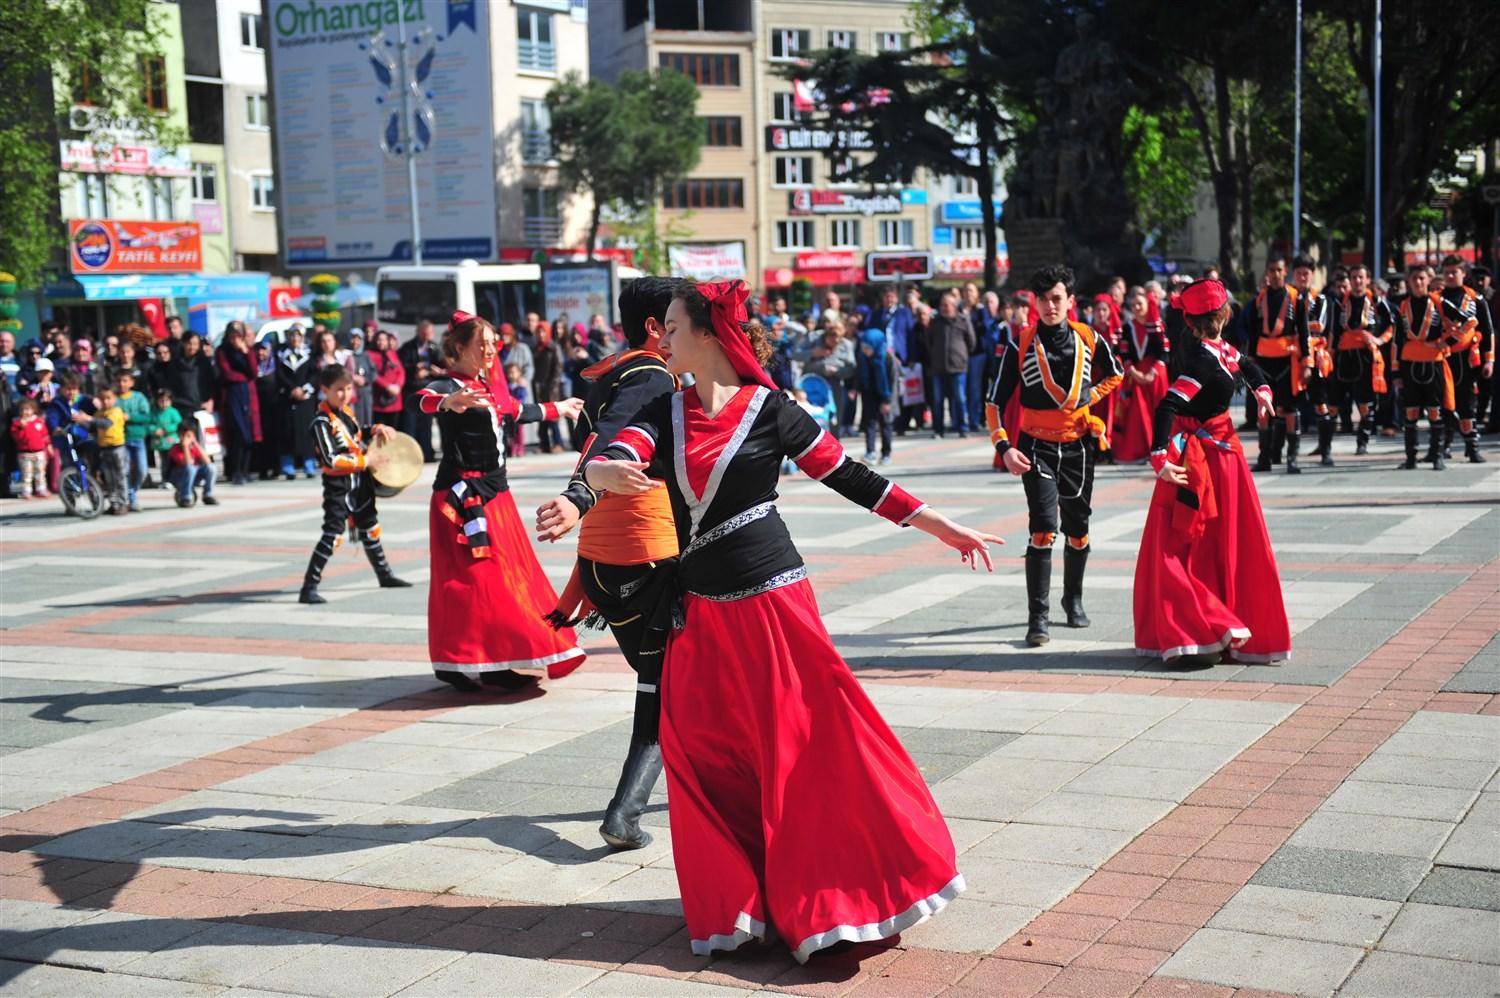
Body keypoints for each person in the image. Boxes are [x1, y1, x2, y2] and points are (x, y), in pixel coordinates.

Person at [580, 279, 996, 963]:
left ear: (711, 333)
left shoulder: (771, 411)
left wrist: (937, 523)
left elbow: (851, 475)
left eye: (676, 327)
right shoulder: (663, 407)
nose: (664, 339)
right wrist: (607, 473)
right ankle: (748, 904)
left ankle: (833, 900)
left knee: (803, 753)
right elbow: (616, 449)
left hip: (776, 608)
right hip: (704, 616)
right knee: (702, 755)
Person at [535, 276, 683, 852]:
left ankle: (674, 792)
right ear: (654, 328)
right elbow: (612, 445)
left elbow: (592, 449)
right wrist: (579, 497)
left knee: (669, 689)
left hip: (603, 564)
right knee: (665, 691)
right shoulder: (649, 374)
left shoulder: (610, 373)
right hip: (646, 559)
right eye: (674, 320)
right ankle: (624, 813)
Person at [415, 312, 585, 692]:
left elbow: (515, 413)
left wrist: (560, 408)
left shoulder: (485, 386)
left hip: (494, 496)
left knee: (498, 579)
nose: (491, 350)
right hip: (463, 499)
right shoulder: (450, 385)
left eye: (494, 343)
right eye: (483, 344)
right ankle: (470, 661)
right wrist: (448, 401)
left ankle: (487, 657)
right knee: (474, 580)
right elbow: (422, 401)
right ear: (460, 348)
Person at [1136, 279, 1289, 666]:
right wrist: (1160, 459)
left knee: (1226, 543)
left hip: (1225, 459)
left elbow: (1249, 365)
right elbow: (1168, 406)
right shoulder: (1203, 360)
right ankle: (1203, 626)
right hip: (1202, 461)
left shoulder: (1221, 350)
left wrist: (1263, 392)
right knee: (1194, 545)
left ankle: (1218, 625)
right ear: (1220, 316)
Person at [987, 265, 1122, 646]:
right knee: (1043, 528)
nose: (1050, 306)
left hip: (1079, 445)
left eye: (1057, 299)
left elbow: (1116, 373)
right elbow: (994, 400)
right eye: (1043, 299)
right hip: (1035, 446)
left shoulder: (1089, 337)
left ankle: (1073, 599)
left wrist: (1089, 398)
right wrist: (1003, 446)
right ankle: (1038, 617)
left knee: (1078, 530)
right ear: (1035, 302)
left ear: (1070, 302)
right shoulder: (1021, 342)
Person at [298, 365, 411, 604]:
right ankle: (309, 586)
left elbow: (357, 436)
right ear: (325, 390)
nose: (344, 394)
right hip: (339, 487)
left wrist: (378, 428)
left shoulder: (346, 413)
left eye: (348, 389)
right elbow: (331, 459)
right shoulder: (320, 422)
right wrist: (367, 460)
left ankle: (384, 574)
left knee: (370, 527)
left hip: (360, 483)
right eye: (338, 390)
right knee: (333, 536)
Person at [1241, 256, 1310, 474]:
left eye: (1279, 270)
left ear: (1285, 271)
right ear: (1267, 273)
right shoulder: (1258, 300)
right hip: (1263, 361)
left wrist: (1307, 362)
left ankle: (1292, 458)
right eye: (1271, 270)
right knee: (1264, 410)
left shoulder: (1295, 298)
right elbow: (1252, 333)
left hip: (1287, 361)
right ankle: (1264, 457)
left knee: (1289, 409)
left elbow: (1304, 331)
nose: (1275, 274)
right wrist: (1249, 363)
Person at [1436, 255, 1495, 463]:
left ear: (1463, 273)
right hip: (1442, 358)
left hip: (1469, 359)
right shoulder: (1434, 299)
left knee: (1468, 403)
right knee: (1444, 403)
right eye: (1447, 272)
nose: (1451, 276)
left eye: (1455, 272)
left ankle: (1472, 446)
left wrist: (1489, 361)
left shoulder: (1476, 299)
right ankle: (1444, 445)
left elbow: (1487, 331)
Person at [1330, 263, 1393, 455]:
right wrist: (1330, 354)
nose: (1357, 281)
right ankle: (1325, 446)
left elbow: (1391, 325)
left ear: (1367, 280)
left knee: (1366, 402)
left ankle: (1362, 442)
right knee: (1333, 401)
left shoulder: (1377, 300)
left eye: (1361, 277)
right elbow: (1333, 330)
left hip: (1366, 356)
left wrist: (1378, 340)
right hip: (1344, 356)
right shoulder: (1340, 301)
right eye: (1354, 277)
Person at [1391, 264, 1449, 471]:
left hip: (1433, 363)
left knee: (1435, 411)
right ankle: (1411, 457)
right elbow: (1397, 340)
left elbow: (1467, 321)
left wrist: (1447, 342)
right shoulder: (1401, 306)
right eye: (1414, 278)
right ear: (1408, 281)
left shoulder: (1439, 303)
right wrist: (1396, 371)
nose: (1418, 282)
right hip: (1409, 364)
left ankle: (1438, 455)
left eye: (1422, 278)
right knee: (1410, 412)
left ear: (1428, 280)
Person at [1111, 287, 1170, 464]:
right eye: (1134, 304)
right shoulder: (1127, 327)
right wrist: (1134, 372)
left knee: (1158, 412)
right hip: (1136, 376)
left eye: (1140, 304)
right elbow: (1125, 353)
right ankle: (1141, 450)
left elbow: (1165, 353)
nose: (1136, 307)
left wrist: (1152, 373)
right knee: (1138, 414)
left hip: (1156, 376)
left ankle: (1160, 449)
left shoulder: (1157, 325)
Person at [1290, 257, 1336, 466]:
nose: (1302, 277)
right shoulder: (1288, 298)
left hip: (1316, 357)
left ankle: (1325, 450)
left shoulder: (1322, 300)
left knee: (1321, 403)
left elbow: (1319, 326)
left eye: (1306, 273)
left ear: (1312, 274)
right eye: (1299, 273)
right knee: (1289, 405)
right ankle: (1290, 453)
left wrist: (1299, 327)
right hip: (1292, 357)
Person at [924, 292, 977, 437]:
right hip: (938, 367)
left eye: (946, 305)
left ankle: (963, 429)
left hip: (958, 367)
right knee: (937, 400)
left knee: (960, 399)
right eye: (942, 305)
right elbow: (929, 342)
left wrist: (961, 356)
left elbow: (971, 342)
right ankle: (938, 430)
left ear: (954, 307)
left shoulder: (963, 320)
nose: (943, 308)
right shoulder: (935, 322)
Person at [216, 322, 261, 486]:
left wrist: (244, 351)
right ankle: (235, 471)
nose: (235, 339)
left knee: (248, 435)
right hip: (232, 395)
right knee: (237, 433)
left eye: (238, 335)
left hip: (247, 395)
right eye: (232, 336)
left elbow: (254, 372)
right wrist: (244, 376)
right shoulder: (222, 351)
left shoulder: (247, 351)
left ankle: (245, 470)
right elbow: (227, 373)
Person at [398, 319, 445, 461]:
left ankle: (427, 453)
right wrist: (414, 369)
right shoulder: (408, 347)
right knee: (410, 424)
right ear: (418, 332)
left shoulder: (434, 347)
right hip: (412, 389)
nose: (427, 336)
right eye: (424, 333)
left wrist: (431, 372)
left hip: (428, 388)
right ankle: (411, 455)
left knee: (427, 424)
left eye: (429, 333)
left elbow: (441, 364)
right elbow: (402, 366)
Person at [276, 327, 319, 479]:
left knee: (307, 432)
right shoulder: (281, 355)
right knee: (287, 433)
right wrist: (292, 389)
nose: (295, 339)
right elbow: (279, 375)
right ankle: (288, 467)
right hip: (288, 398)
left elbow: (315, 375)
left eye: (297, 336)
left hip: (305, 400)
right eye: (292, 336)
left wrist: (304, 390)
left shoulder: (309, 354)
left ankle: (309, 464)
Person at [856, 326, 899, 465]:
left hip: (885, 394)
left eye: (867, 347)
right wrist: (855, 389)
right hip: (869, 393)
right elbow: (860, 375)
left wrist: (887, 401)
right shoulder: (863, 357)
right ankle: (870, 452)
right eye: (863, 346)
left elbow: (893, 381)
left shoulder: (887, 358)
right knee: (870, 423)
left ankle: (886, 453)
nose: (864, 350)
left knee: (886, 424)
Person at [88, 386, 129, 515]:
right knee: (109, 477)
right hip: (104, 448)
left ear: (115, 399)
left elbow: (106, 424)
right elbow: (92, 427)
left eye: (108, 398)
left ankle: (123, 502)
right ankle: (114, 503)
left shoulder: (116, 411)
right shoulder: (98, 413)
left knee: (120, 476)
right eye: (102, 399)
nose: (105, 402)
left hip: (117, 448)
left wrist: (88, 419)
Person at [115, 371, 151, 509]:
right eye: (119, 381)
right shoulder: (114, 399)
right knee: (126, 470)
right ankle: (130, 497)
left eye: (125, 381)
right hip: (121, 440)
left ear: (131, 382)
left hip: (138, 439)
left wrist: (130, 417)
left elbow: (146, 416)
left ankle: (132, 490)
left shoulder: (139, 397)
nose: (122, 384)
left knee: (142, 470)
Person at [531, 320, 566, 453]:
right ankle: (544, 444)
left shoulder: (553, 347)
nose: (540, 334)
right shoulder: (536, 349)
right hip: (540, 387)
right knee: (541, 416)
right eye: (538, 332)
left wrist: (552, 387)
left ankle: (558, 443)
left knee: (553, 417)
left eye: (543, 331)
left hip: (552, 388)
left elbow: (558, 369)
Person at [168, 426, 218, 507]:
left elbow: (207, 461)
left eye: (189, 436)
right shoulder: (175, 448)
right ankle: (186, 497)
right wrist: (185, 446)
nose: (187, 439)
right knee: (190, 468)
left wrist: (196, 443)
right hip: (179, 477)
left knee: (211, 467)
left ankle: (208, 495)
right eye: (185, 436)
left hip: (195, 476)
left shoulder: (194, 447)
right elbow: (188, 463)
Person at [10, 397, 50, 499]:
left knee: (40, 473)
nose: (25, 412)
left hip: (39, 452)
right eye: (22, 409)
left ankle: (41, 489)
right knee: (27, 474)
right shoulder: (17, 423)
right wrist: (21, 428)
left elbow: (45, 435)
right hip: (25, 453)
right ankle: (27, 491)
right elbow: (16, 437)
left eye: (27, 409)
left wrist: (49, 446)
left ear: (33, 410)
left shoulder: (38, 422)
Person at [368, 330, 406, 428]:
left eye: (384, 340)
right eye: (379, 340)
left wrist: (398, 386)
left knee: (394, 431)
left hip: (395, 400)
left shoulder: (392, 353)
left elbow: (400, 371)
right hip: (379, 401)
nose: (381, 342)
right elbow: (373, 375)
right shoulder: (369, 354)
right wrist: (387, 386)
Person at [348, 329, 378, 429]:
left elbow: (373, 372)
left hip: (365, 394)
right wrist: (352, 378)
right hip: (351, 395)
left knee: (366, 422)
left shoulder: (366, 355)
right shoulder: (346, 354)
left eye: (358, 339)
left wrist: (365, 380)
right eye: (353, 339)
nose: (355, 342)